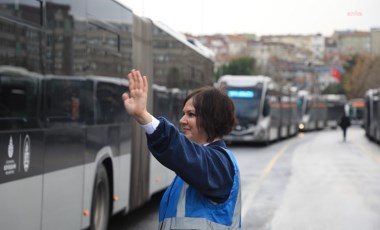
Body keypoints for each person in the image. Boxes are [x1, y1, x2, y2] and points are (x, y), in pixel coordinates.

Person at [122, 70, 241, 229]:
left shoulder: (219, 164)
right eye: (183, 113)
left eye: (191, 114)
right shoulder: (198, 163)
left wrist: (143, 116)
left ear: (212, 118)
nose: (182, 120)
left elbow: (179, 149)